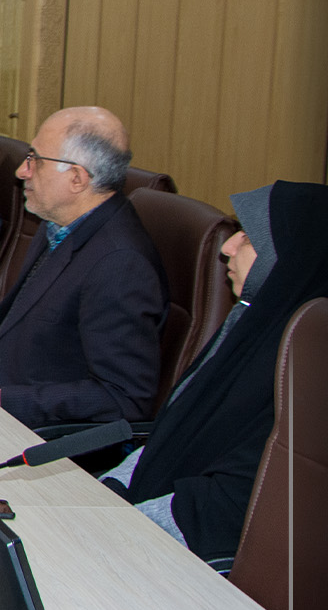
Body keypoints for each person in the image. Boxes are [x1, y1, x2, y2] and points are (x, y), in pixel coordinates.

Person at [102, 181, 328, 566]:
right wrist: (107, 492)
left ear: (291, 260)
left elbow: (221, 508)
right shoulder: (251, 324)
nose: (228, 248)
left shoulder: (305, 378)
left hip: (183, 562)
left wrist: (114, 530)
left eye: (249, 238)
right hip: (139, 526)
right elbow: (169, 435)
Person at [0, 107, 167, 426]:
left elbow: (123, 399)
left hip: (34, 433)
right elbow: (16, 331)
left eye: (34, 159)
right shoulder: (59, 225)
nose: (22, 171)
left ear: (77, 178)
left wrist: (3, 400)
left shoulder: (120, 263)